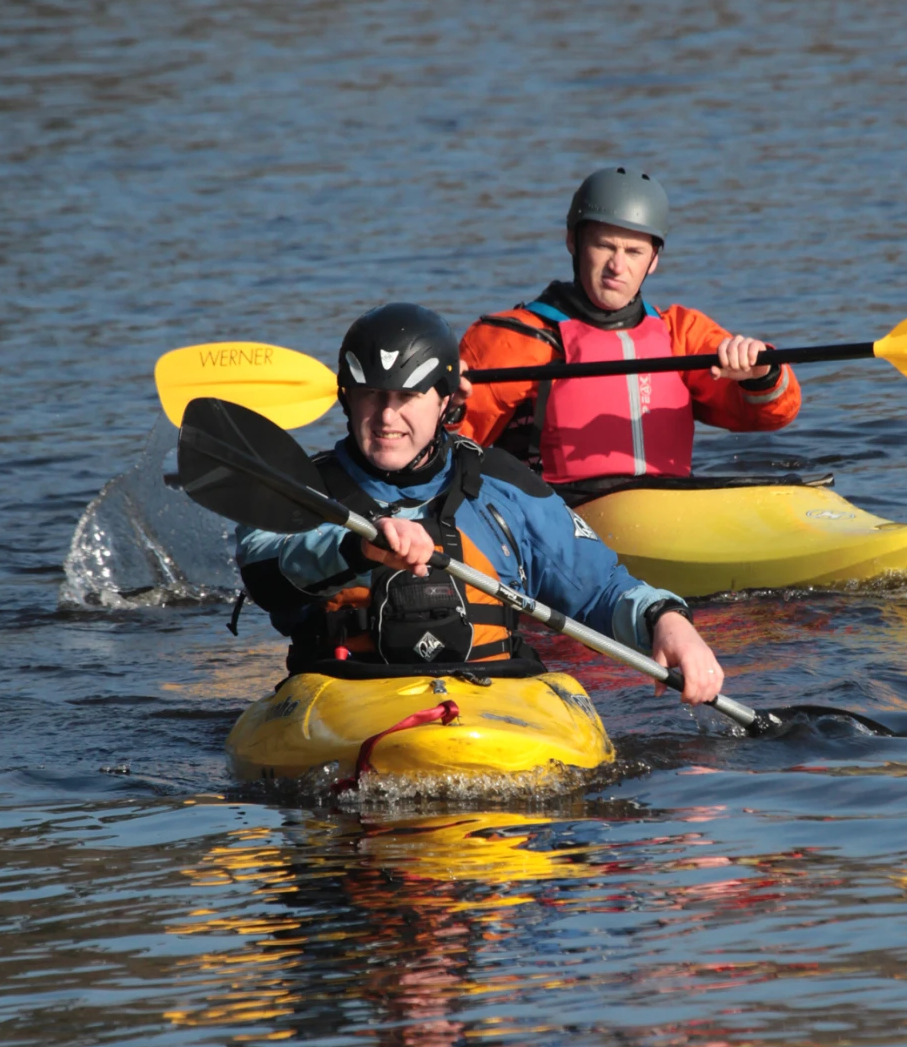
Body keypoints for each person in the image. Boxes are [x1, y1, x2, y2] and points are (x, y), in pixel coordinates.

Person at [235, 302, 728, 703]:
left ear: (445, 401)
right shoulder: (301, 489)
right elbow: (264, 571)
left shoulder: (502, 485)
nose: (387, 417)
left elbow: (600, 588)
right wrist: (355, 550)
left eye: (407, 397)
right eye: (371, 396)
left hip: (492, 700)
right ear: (348, 399)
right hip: (349, 695)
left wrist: (668, 621)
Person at [458, 166, 802, 484]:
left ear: (654, 260)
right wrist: (446, 406)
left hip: (672, 510)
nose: (617, 266)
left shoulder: (681, 334)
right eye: (605, 246)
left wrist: (761, 375)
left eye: (634, 252)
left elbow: (771, 417)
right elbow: (444, 448)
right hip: (558, 519)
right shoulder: (513, 340)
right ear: (573, 243)